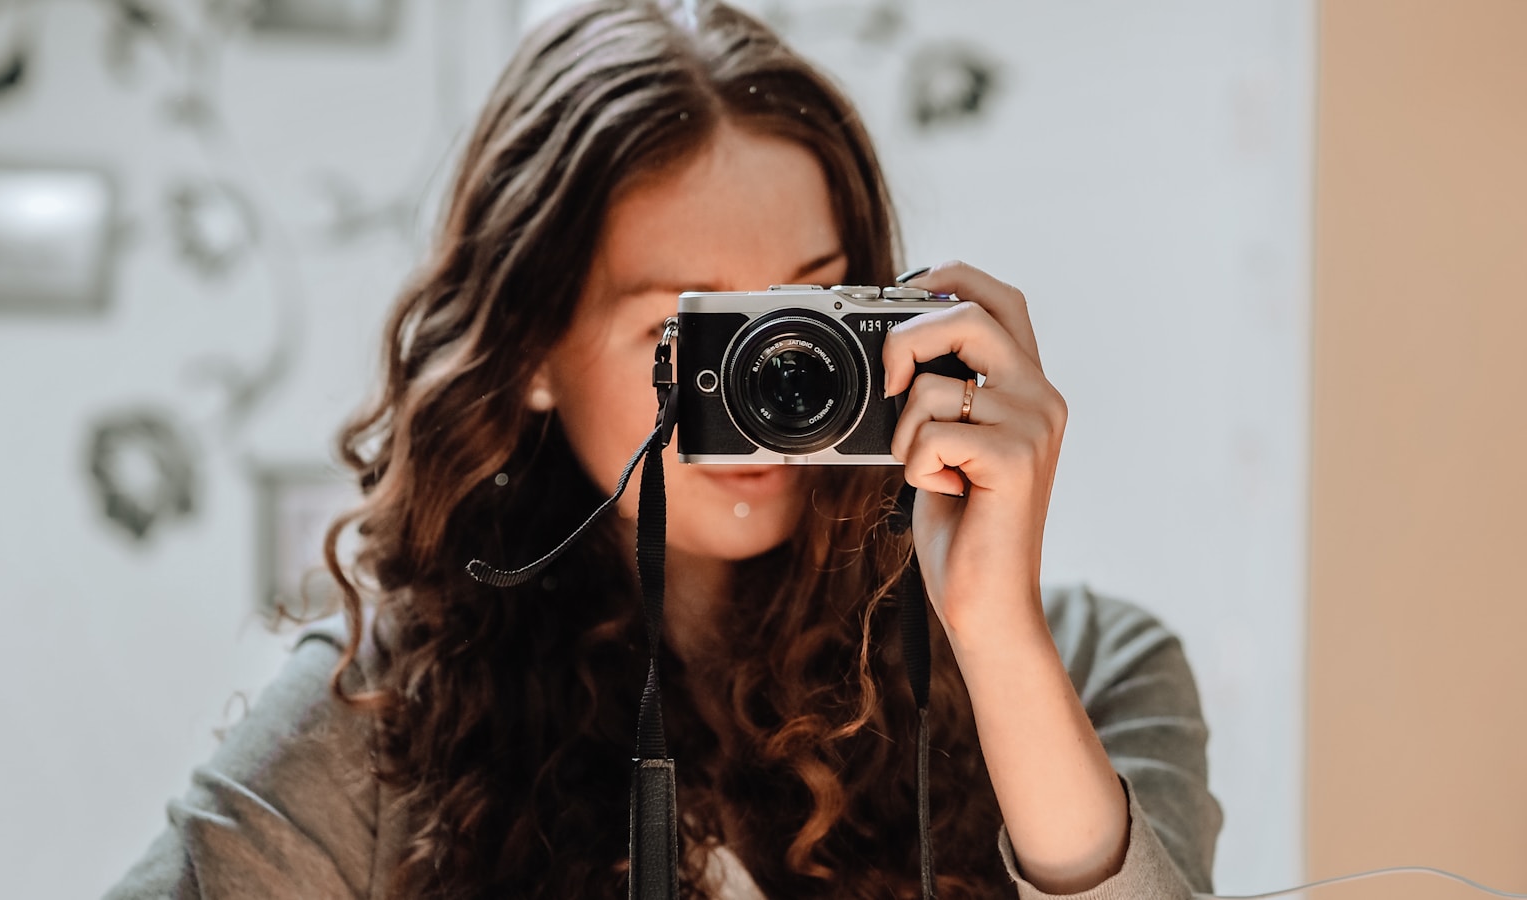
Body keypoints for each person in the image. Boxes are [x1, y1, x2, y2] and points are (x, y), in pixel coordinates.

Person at [105, 1, 1223, 898]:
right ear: (532, 347)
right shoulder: (389, 722)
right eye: (693, 334)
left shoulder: (1092, 666)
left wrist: (997, 641)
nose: (770, 385)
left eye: (808, 312)